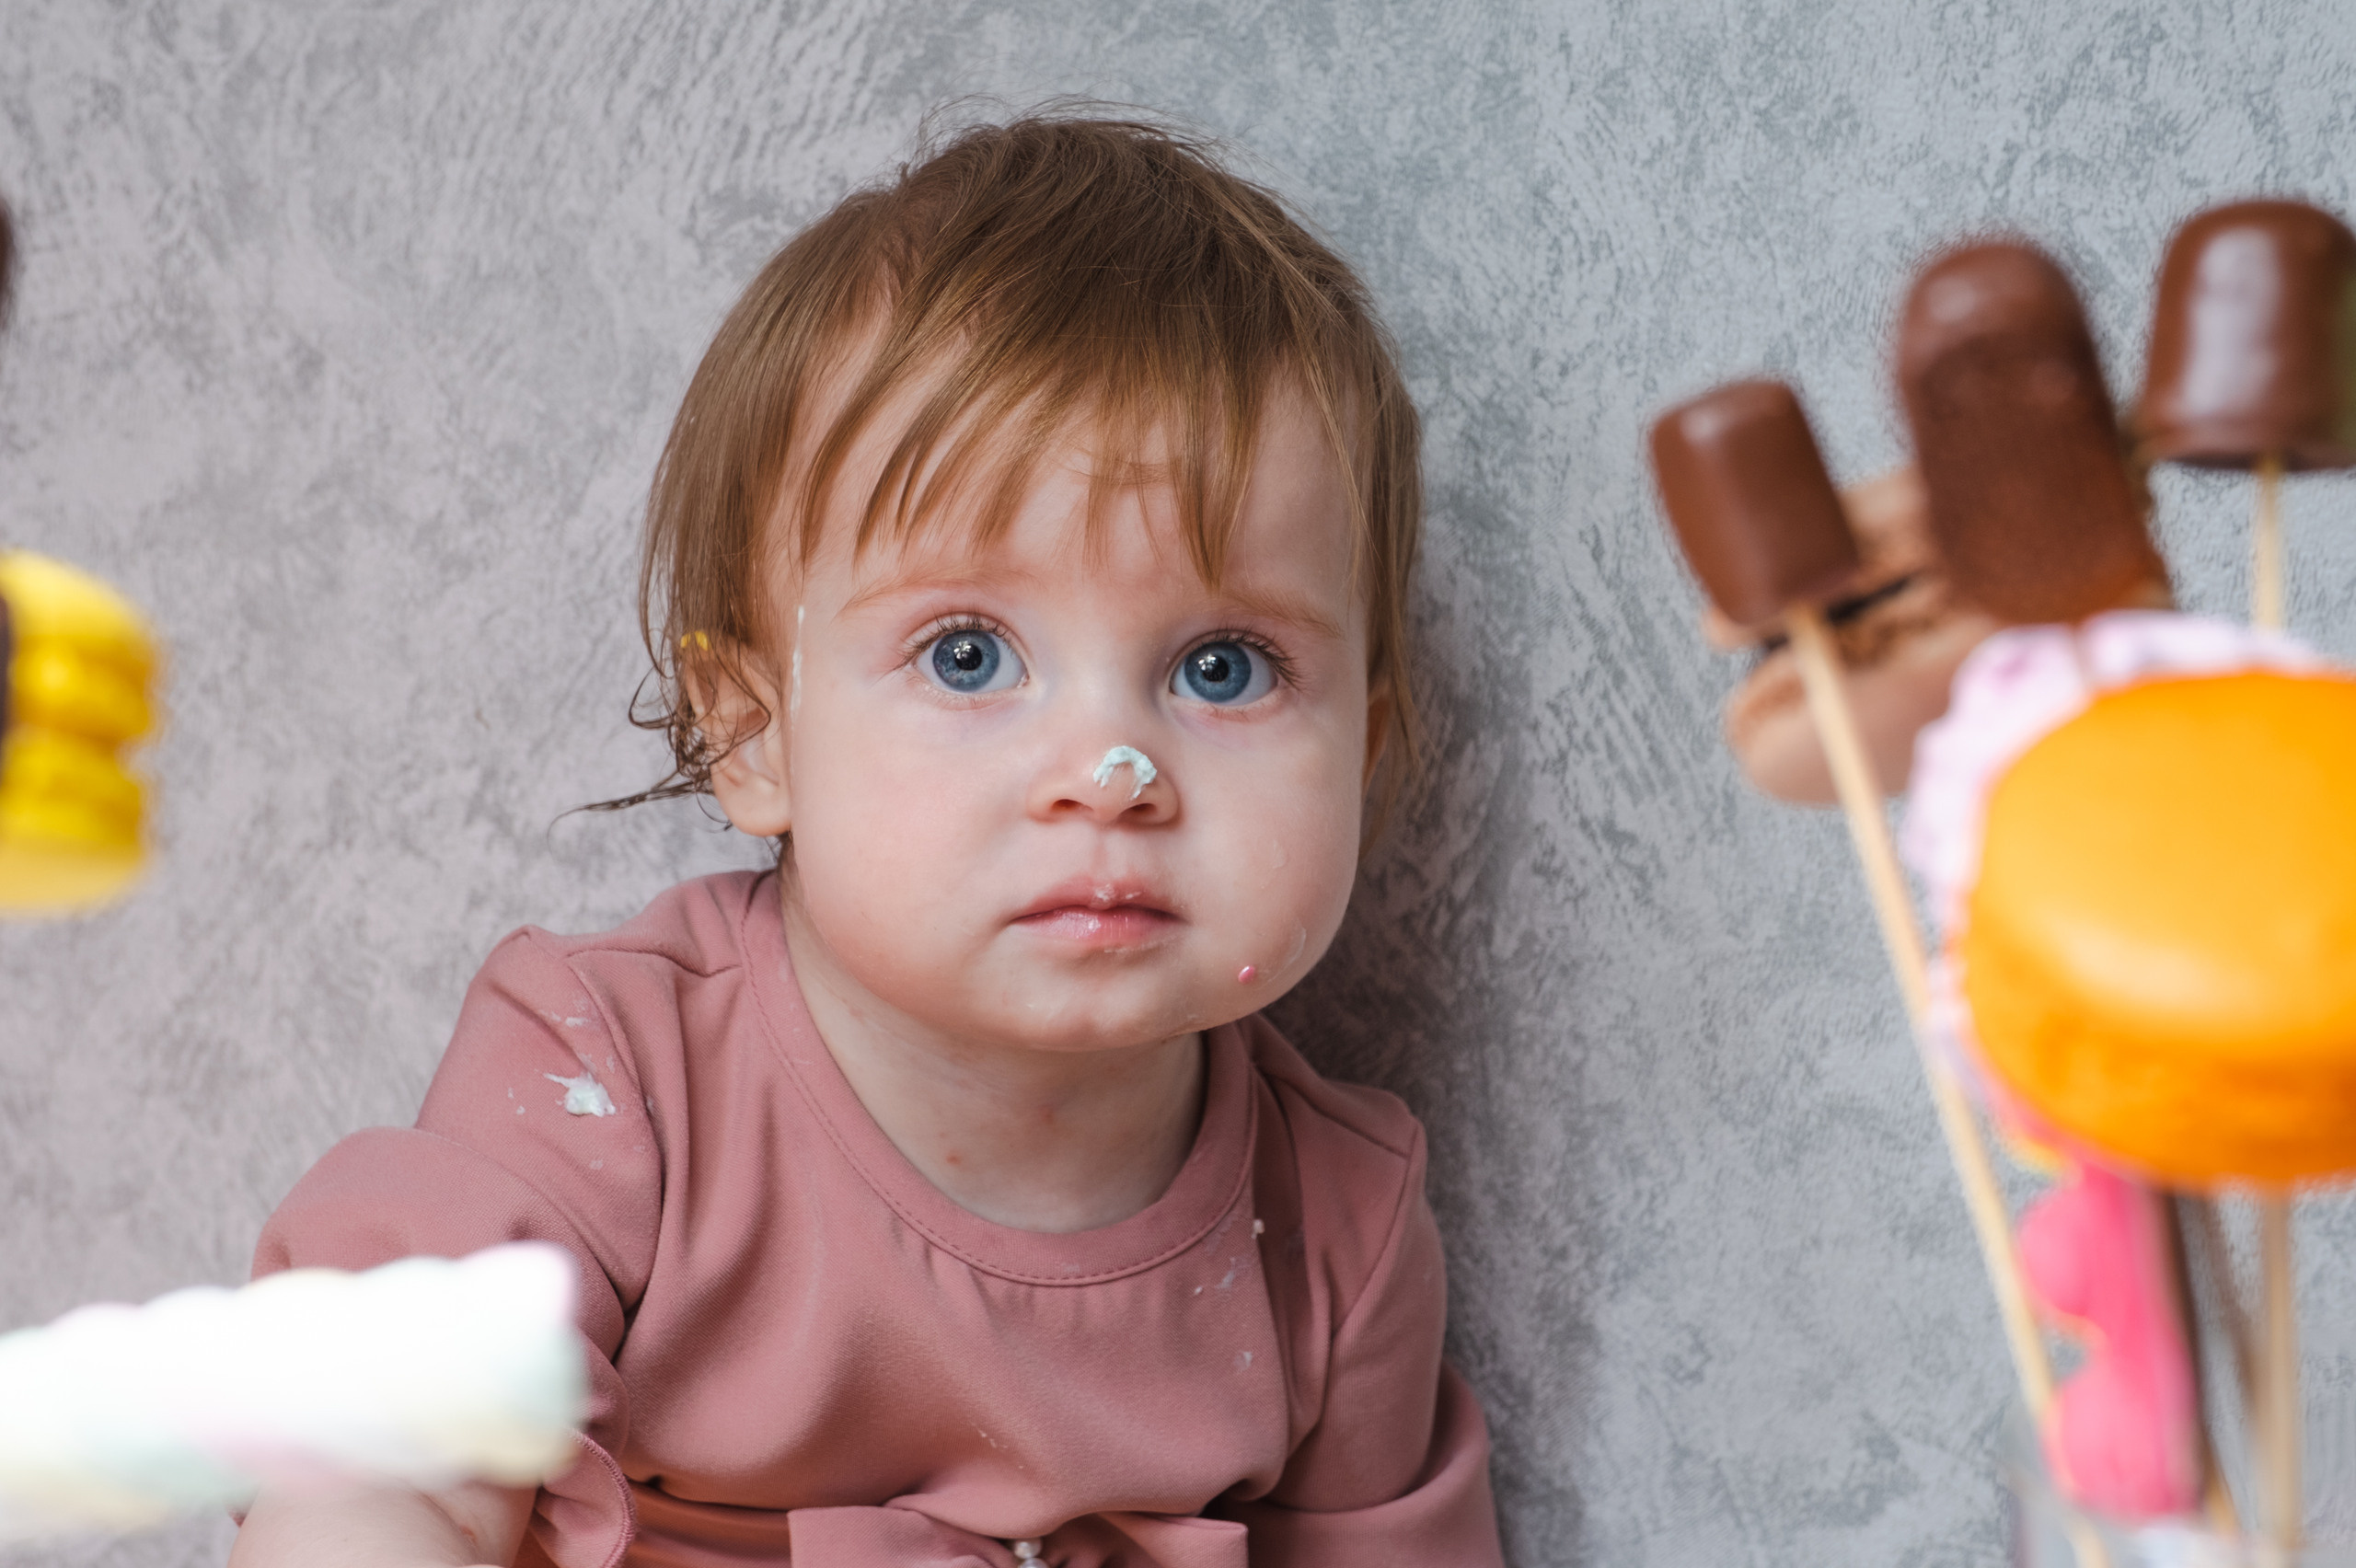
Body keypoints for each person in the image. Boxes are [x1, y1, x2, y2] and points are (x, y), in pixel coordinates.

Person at [230, 113, 1504, 1568]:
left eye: (1223, 667)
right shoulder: (616, 1078)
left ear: (1369, 753)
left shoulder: (1339, 1221)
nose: (1112, 770)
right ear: (757, 734)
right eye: (969, 656)